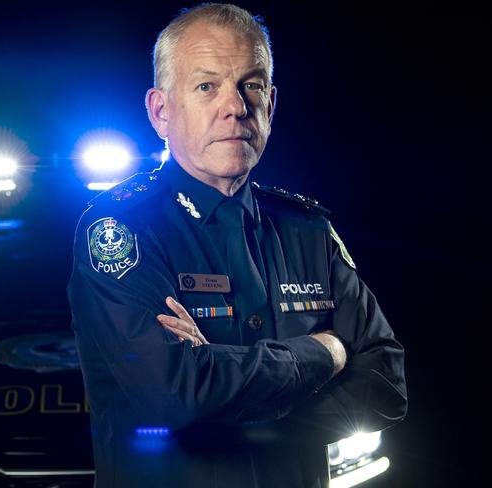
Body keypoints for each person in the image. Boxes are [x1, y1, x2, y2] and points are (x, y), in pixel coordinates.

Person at [67, 3, 407, 487]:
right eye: (207, 86)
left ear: (271, 103)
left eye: (250, 84)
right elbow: (173, 392)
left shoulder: (307, 230)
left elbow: (386, 386)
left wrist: (220, 401)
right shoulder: (119, 231)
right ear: (161, 111)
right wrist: (323, 353)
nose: (235, 106)